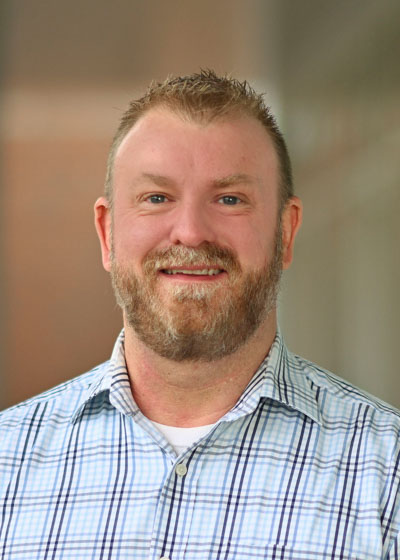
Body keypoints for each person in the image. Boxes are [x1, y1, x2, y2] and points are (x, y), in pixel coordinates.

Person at [0, 71, 399, 560]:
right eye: (156, 198)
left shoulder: (388, 475)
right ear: (107, 234)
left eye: (229, 199)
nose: (190, 232)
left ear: (286, 232)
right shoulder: (7, 462)